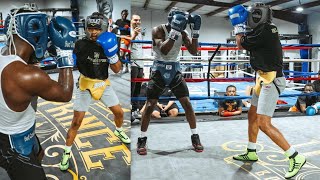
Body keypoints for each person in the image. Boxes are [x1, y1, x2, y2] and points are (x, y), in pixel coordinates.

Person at [228, 3, 306, 179]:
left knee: (264, 123)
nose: (248, 18)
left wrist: (238, 26)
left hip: (272, 80)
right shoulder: (263, 29)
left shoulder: (265, 30)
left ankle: (295, 156)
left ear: (257, 15)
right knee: (252, 115)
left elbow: (240, 44)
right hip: (262, 77)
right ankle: (251, 151)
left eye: (250, 15)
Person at [0, 6, 75, 179]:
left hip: (19, 131)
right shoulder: (27, 75)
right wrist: (65, 51)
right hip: (14, 146)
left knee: (38, 153)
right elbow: (65, 94)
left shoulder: (4, 54)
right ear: (34, 28)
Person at [59, 12, 131, 171]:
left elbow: (117, 69)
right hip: (85, 84)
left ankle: (118, 131)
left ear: (104, 29)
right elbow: (69, 65)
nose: (93, 32)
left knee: (119, 113)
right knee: (76, 122)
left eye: (97, 29)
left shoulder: (111, 41)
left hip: (103, 84)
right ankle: (66, 152)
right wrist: (63, 54)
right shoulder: (79, 44)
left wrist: (111, 54)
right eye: (90, 28)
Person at [137, 7, 203, 155]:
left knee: (187, 103)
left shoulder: (184, 32)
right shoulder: (157, 30)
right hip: (159, 70)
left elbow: (194, 51)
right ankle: (142, 139)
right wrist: (174, 32)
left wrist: (195, 32)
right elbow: (164, 50)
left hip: (175, 70)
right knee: (149, 105)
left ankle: (195, 136)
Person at [131, 14, 144, 114]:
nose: (137, 22)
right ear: (131, 20)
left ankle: (135, 109)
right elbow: (127, 43)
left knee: (138, 89)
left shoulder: (139, 32)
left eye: (139, 20)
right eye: (135, 20)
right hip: (133, 62)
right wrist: (134, 34)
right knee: (132, 87)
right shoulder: (130, 31)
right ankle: (130, 109)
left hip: (141, 62)